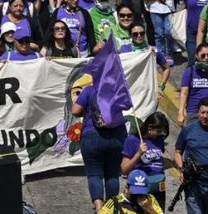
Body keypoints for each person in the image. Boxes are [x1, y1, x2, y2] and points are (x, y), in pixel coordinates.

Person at [72, 80, 129, 211]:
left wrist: (87, 110)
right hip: (117, 137)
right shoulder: (118, 89)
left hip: (92, 136)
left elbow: (75, 111)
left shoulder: (90, 90)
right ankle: (111, 208)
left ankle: (99, 208)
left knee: (94, 174)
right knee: (113, 175)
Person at [122, 112, 170, 207]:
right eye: (159, 131)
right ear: (149, 128)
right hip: (139, 187)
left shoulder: (159, 139)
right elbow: (124, 169)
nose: (161, 134)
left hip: (158, 189)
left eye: (162, 131)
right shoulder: (133, 140)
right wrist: (138, 154)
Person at [120, 21, 171, 99]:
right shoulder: (124, 49)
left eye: (142, 33)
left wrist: (161, 86)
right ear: (130, 35)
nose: (139, 36)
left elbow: (166, 68)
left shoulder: (153, 51)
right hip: (131, 92)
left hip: (149, 93)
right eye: (135, 34)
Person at [98, 168, 164, 214]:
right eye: (135, 191)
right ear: (127, 187)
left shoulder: (150, 199)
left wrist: (149, 209)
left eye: (142, 191)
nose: (138, 194)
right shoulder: (115, 203)